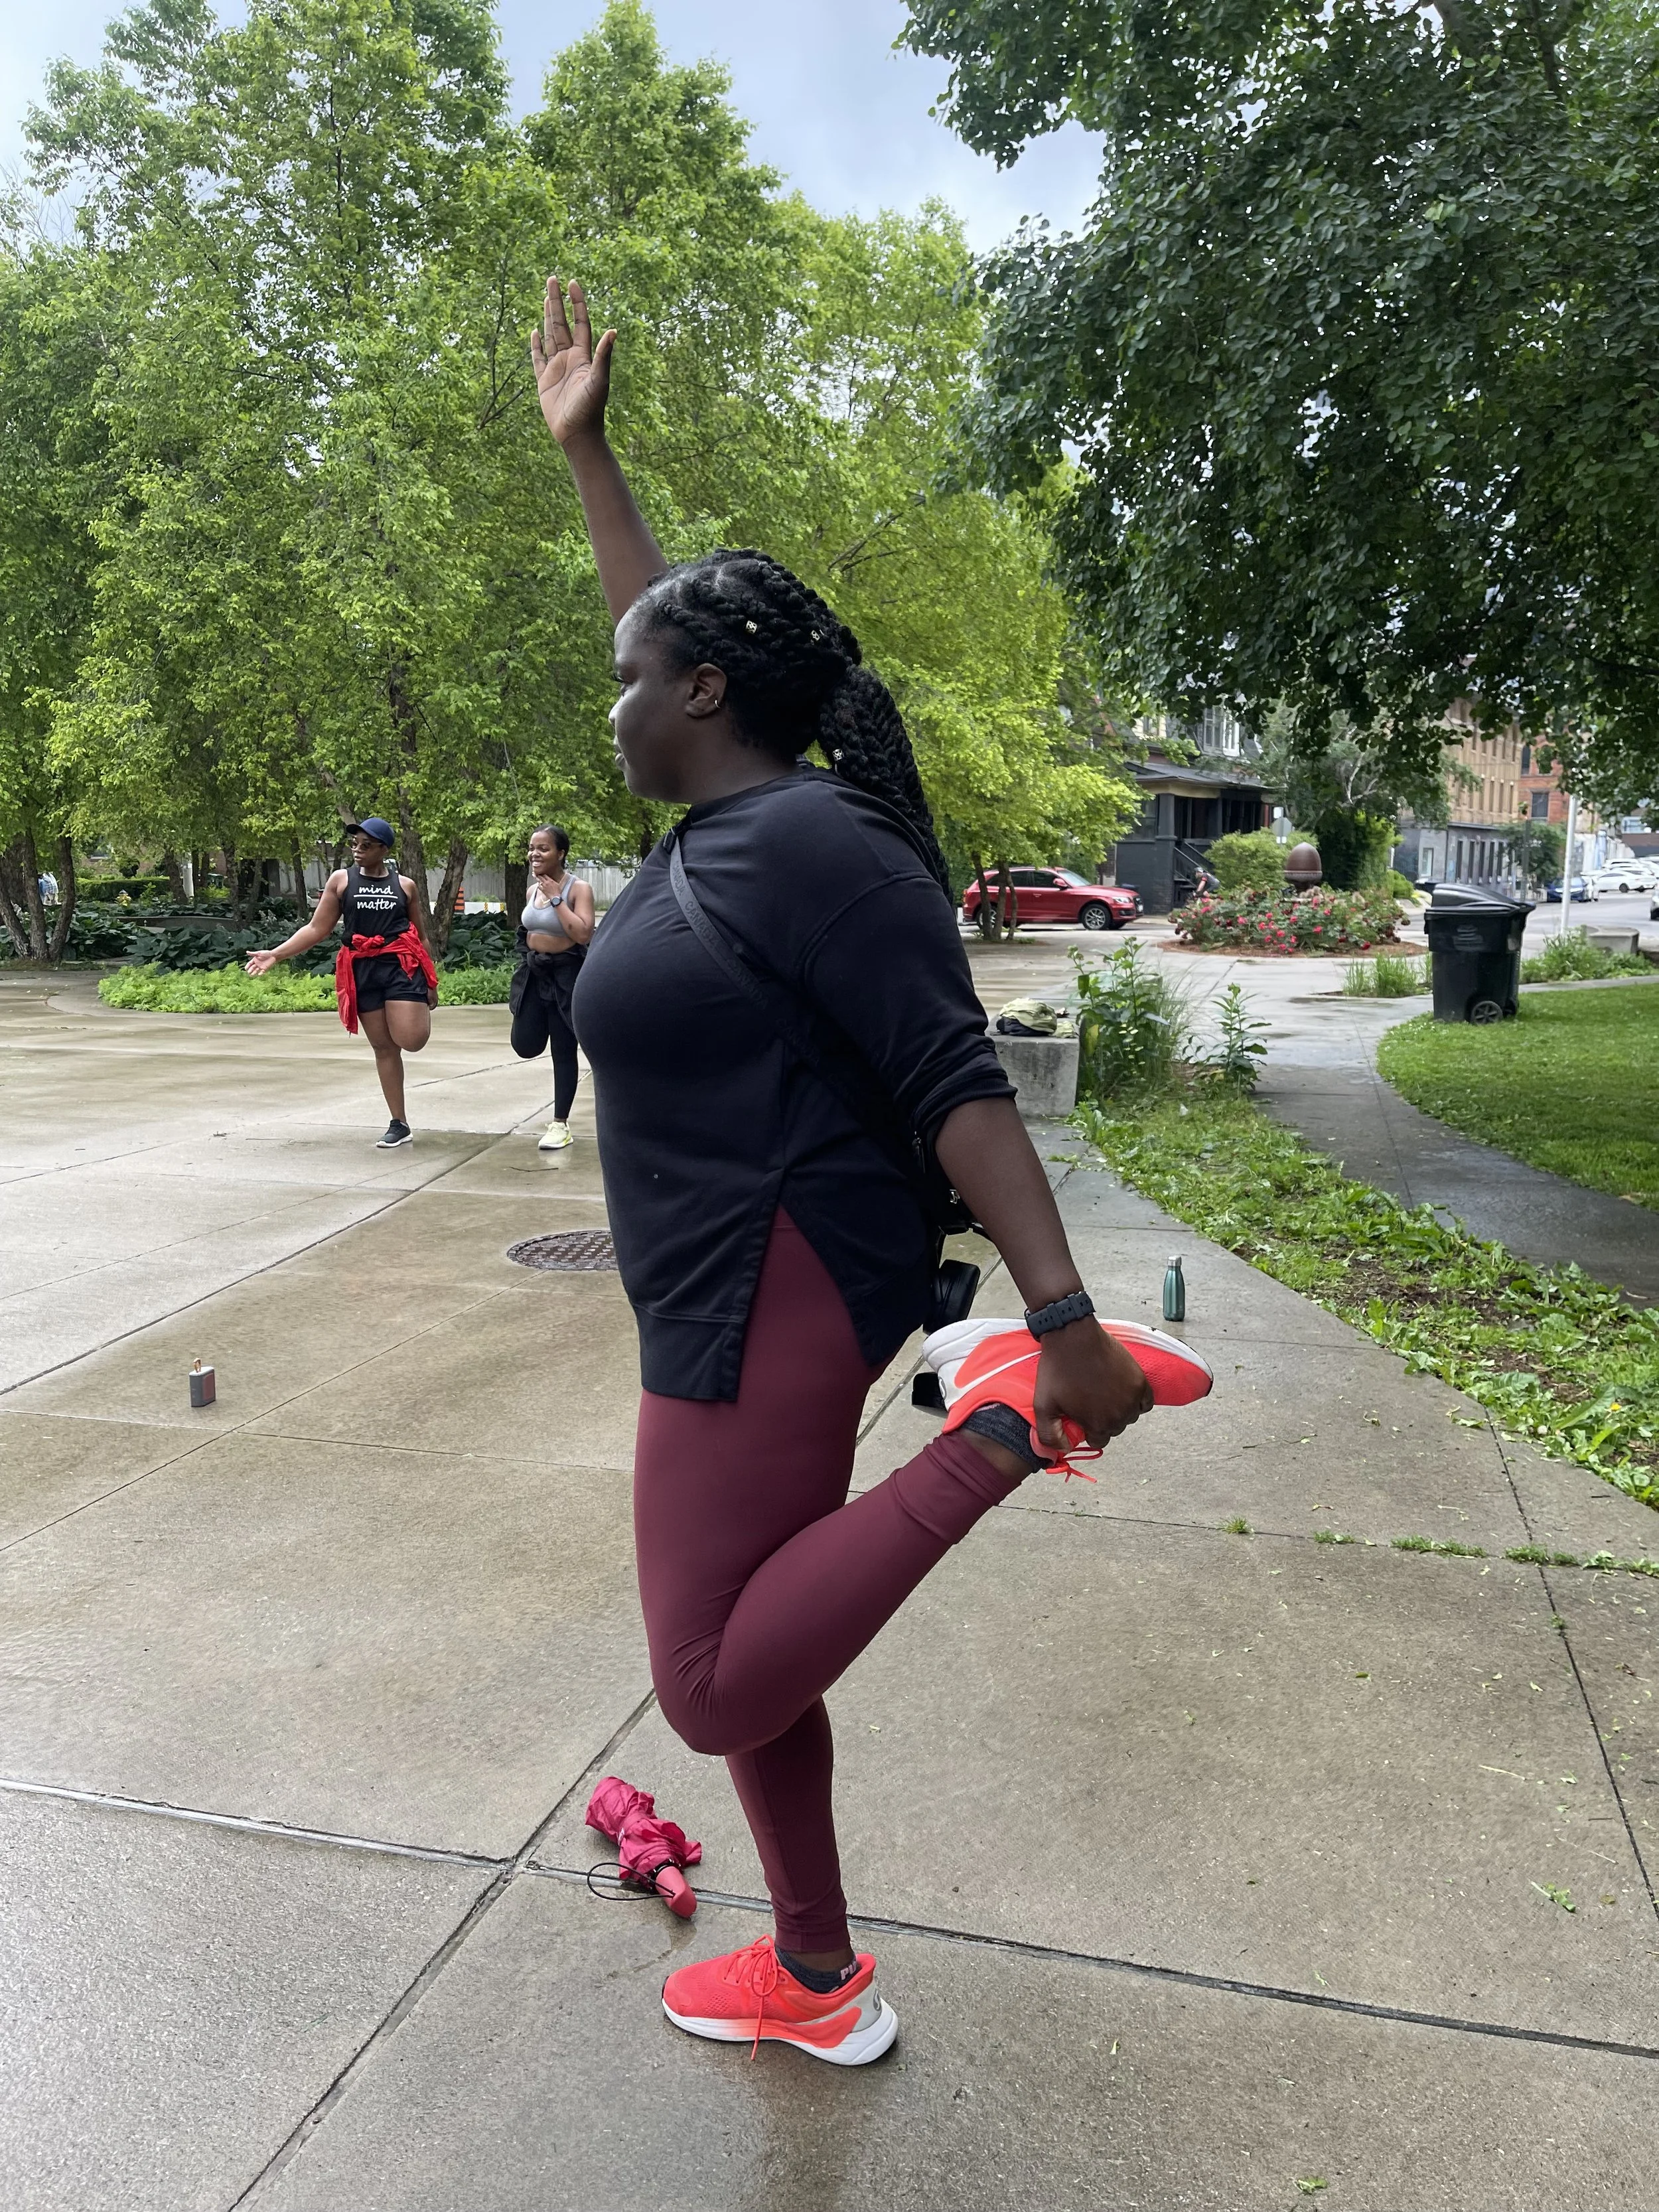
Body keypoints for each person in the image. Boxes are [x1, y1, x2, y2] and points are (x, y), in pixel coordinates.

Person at [534, 276, 1153, 2064]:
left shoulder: (809, 844)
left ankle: (1010, 1421)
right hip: (730, 1272)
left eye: (634, 677)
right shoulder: (741, 819)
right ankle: (811, 1969)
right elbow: (651, 625)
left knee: (713, 1670)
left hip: (769, 1277)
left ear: (707, 691)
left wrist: (1064, 1318)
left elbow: (956, 1079)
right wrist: (592, 460)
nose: (614, 696)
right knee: (755, 1663)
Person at [246, 818, 437, 1148]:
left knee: (412, 1039)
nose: (358, 850)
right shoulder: (341, 881)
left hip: (400, 967)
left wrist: (430, 979)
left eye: (366, 845)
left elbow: (419, 935)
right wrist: (276, 954)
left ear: (384, 850)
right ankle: (399, 1123)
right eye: (355, 844)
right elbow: (316, 928)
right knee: (384, 1048)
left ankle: (408, 1016)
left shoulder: (405, 886)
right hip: (361, 970)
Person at [510, 824, 595, 1150]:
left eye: (543, 848)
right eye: (532, 848)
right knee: (525, 1044)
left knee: (563, 1049)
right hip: (535, 972)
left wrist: (557, 898)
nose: (535, 854)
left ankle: (561, 1124)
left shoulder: (578, 889)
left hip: (566, 976)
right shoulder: (532, 891)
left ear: (561, 853)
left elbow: (583, 934)